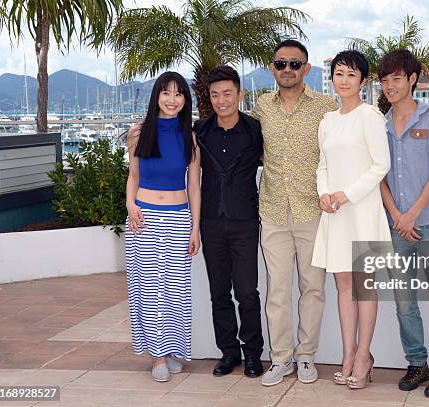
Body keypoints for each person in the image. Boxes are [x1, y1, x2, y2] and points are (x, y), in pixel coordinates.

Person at [250, 39, 338, 387]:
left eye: (295, 64)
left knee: (313, 288)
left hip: (312, 211)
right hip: (272, 211)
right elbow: (237, 138)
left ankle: (306, 356)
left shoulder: (326, 107)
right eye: (281, 63)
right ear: (272, 68)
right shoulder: (261, 107)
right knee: (278, 290)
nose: (288, 69)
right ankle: (281, 359)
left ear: (307, 68)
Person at [378, 49, 429, 398]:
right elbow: (377, 176)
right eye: (385, 79)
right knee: (404, 302)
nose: (390, 85)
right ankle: (417, 363)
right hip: (398, 227)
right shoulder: (378, 125)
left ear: (412, 79)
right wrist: (398, 216)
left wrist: (412, 214)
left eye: (397, 78)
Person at [311, 50, 390, 389]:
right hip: (335, 213)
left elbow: (380, 164)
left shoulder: (371, 116)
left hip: (362, 211)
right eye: (339, 73)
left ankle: (364, 355)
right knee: (344, 285)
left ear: (363, 80)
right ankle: (347, 353)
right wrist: (325, 193)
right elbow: (322, 166)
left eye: (351, 75)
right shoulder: (328, 121)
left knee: (364, 285)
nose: (343, 80)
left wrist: (347, 194)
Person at [124, 71, 201, 382]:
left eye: (179, 94)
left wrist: (195, 228)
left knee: (176, 290)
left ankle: (173, 350)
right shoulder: (137, 133)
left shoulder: (189, 137)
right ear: (157, 96)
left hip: (178, 217)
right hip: (143, 218)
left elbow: (194, 187)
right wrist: (130, 205)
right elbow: (133, 176)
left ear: (186, 99)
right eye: (166, 93)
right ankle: (157, 357)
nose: (173, 100)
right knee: (149, 288)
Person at [194, 66, 264, 378]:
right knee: (219, 292)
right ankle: (228, 353)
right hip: (211, 222)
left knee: (247, 292)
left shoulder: (255, 130)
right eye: (215, 95)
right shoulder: (200, 131)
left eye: (227, 93)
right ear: (209, 98)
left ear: (239, 94)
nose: (222, 100)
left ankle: (253, 354)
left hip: (245, 221)